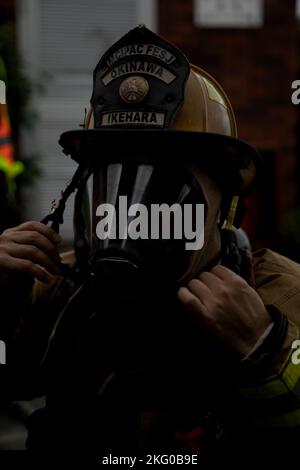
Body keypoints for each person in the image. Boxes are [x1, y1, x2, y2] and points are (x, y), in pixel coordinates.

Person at [1, 25, 300, 464]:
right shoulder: (55, 287)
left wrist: (266, 351)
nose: (134, 208)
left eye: (163, 184)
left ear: (223, 201)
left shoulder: (281, 293)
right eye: (114, 179)